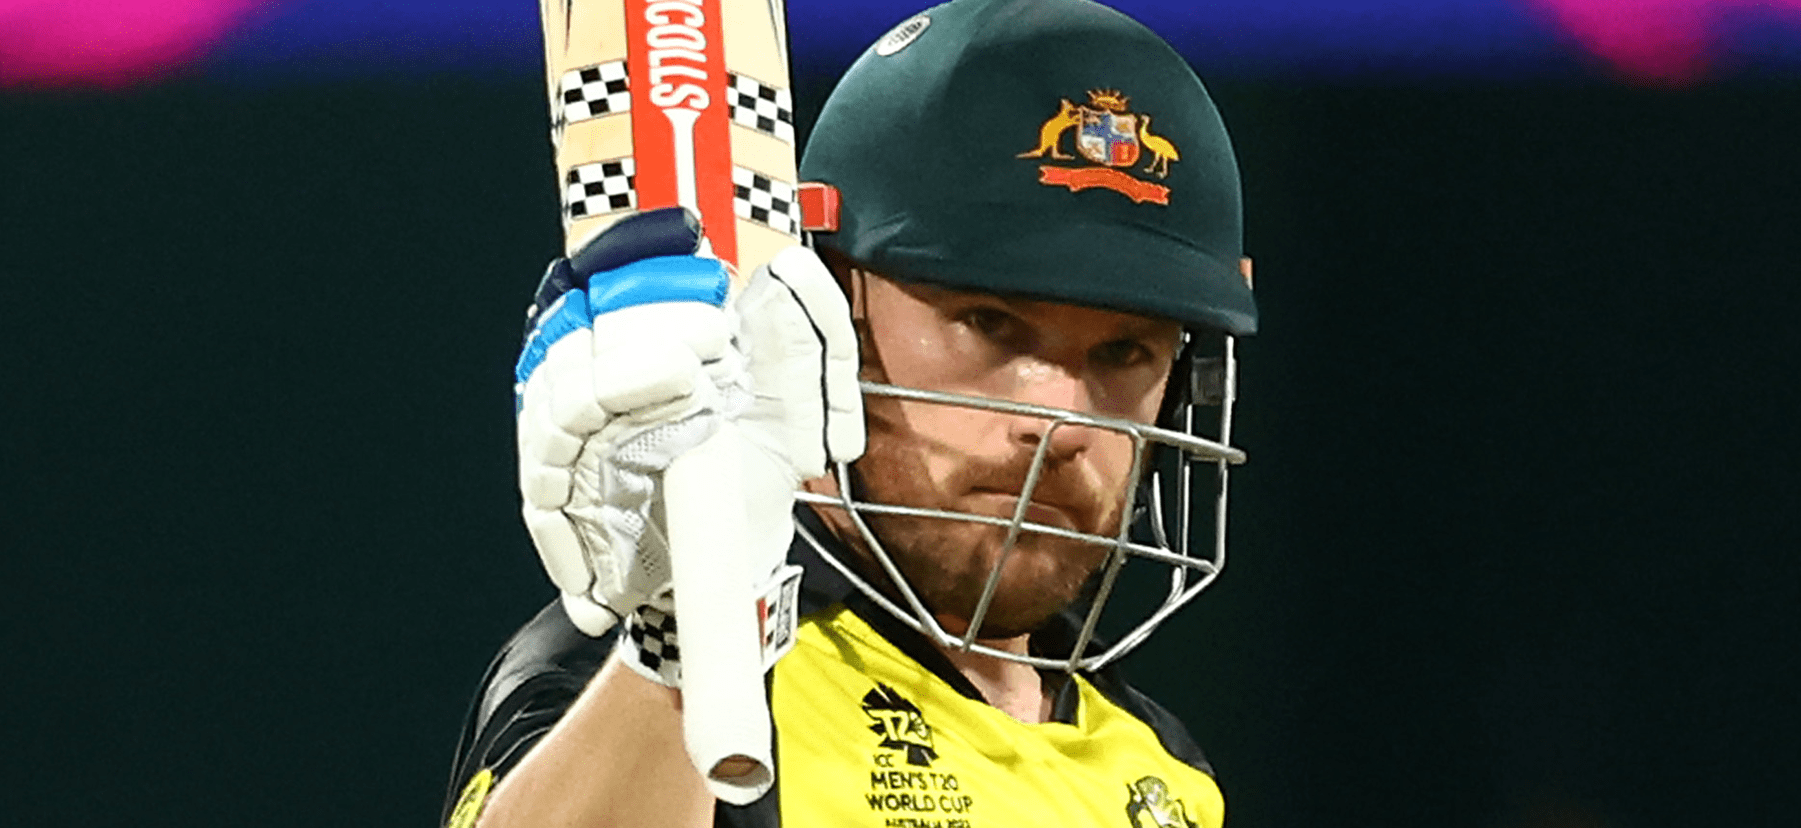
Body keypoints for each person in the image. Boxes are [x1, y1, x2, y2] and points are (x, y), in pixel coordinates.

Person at [442, 0, 1259, 825]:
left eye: (1125, 353)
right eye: (988, 323)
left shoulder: (1164, 773)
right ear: (824, 306)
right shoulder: (643, 677)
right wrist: (681, 643)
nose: (1060, 421)